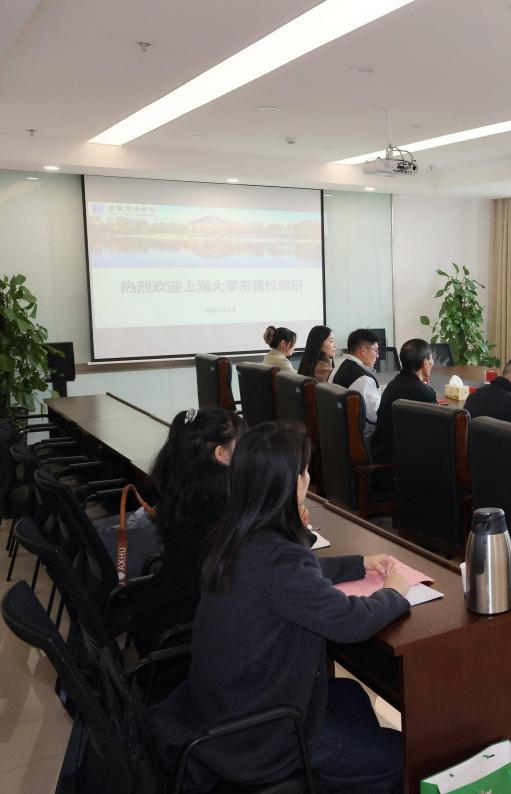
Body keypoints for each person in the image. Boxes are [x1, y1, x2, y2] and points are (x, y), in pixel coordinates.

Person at [152, 421, 411, 793]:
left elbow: (291, 581)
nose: (308, 479)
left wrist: (358, 564)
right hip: (262, 737)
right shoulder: (278, 559)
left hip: (226, 706)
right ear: (291, 484)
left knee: (352, 697)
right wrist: (395, 593)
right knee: (404, 758)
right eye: (304, 472)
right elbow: (349, 622)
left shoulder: (235, 535)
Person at [131, 407, 247, 656]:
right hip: (180, 632)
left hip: (158, 613)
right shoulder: (219, 509)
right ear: (221, 454)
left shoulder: (186, 489)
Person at [370, 339, 437, 466]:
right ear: (425, 363)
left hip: (382, 452)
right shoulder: (424, 393)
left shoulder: (393, 384)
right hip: (399, 463)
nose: (432, 362)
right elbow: (436, 432)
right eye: (431, 358)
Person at [332, 329, 382, 440]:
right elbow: (376, 416)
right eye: (376, 350)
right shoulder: (363, 379)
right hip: (364, 439)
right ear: (364, 350)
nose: (378, 355)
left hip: (340, 435)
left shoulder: (339, 367)